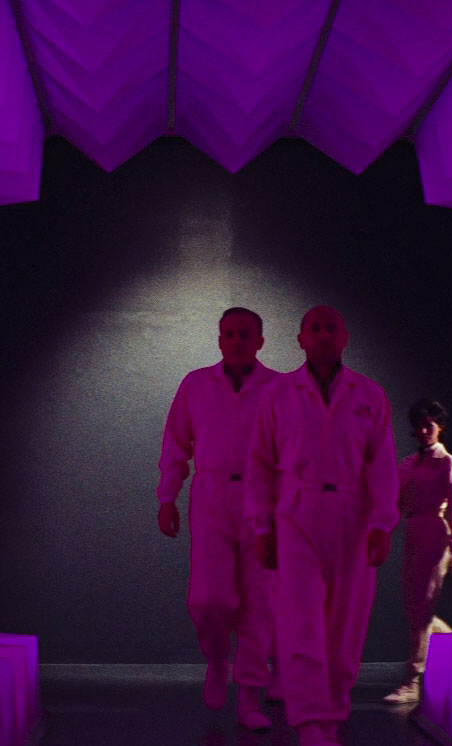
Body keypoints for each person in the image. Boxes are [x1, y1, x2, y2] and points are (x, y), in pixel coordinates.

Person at [246, 306, 397, 746]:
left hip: (354, 515)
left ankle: (334, 709)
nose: (324, 335)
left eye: (332, 328)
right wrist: (262, 528)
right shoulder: (279, 394)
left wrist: (382, 523)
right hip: (297, 514)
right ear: (301, 339)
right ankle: (311, 721)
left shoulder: (369, 395)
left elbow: (382, 464)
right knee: (302, 621)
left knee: (346, 622)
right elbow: (260, 463)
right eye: (315, 328)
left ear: (345, 337)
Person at [158, 307, 283, 730]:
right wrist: (167, 496)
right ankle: (216, 660)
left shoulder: (279, 388)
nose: (236, 341)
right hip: (211, 495)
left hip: (263, 498)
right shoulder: (196, 384)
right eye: (228, 334)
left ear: (260, 341)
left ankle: (249, 695)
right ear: (219, 339)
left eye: (244, 334)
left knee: (258, 601)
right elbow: (176, 441)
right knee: (208, 598)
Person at [383, 399, 452, 705]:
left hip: (435, 534)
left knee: (422, 607)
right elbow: (395, 503)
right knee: (414, 606)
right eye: (419, 426)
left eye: (429, 425)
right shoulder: (408, 464)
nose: (424, 431)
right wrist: (380, 533)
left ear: (439, 427)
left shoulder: (449, 463)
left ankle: (412, 679)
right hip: (414, 531)